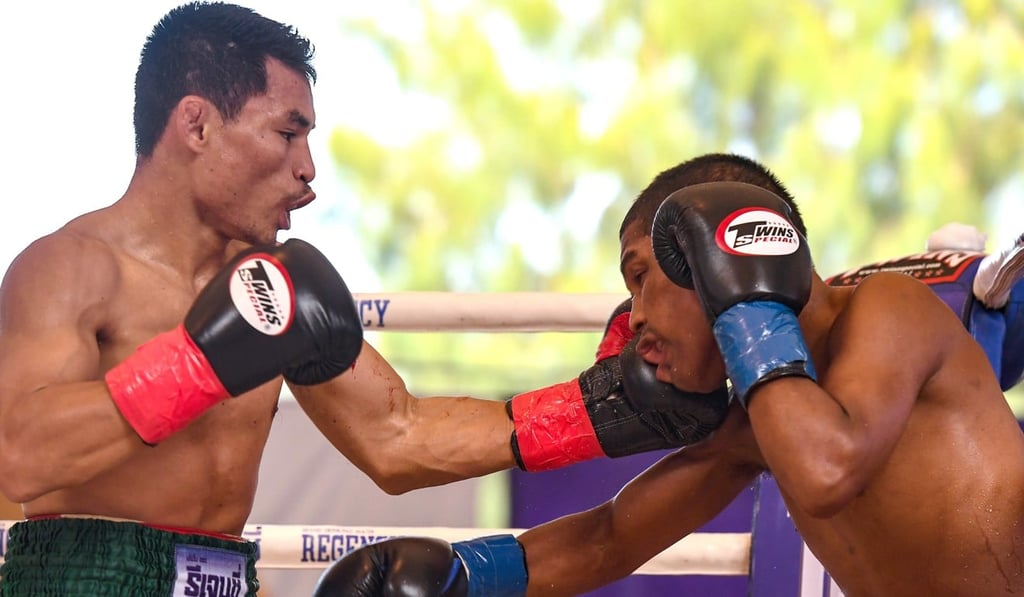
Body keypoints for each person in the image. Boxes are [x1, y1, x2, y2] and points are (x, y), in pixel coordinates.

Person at [0, 4, 725, 594]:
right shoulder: (73, 268)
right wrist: (200, 360)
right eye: (287, 133)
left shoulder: (272, 285)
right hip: (80, 576)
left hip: (225, 577)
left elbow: (398, 437)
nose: (308, 172)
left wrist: (598, 411)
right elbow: (17, 455)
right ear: (197, 124)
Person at [317, 153, 1024, 596]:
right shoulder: (763, 420)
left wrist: (747, 310)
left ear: (718, 258)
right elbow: (610, 537)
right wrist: (466, 577)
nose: (636, 318)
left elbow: (828, 468)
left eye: (642, 277)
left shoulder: (888, 310)